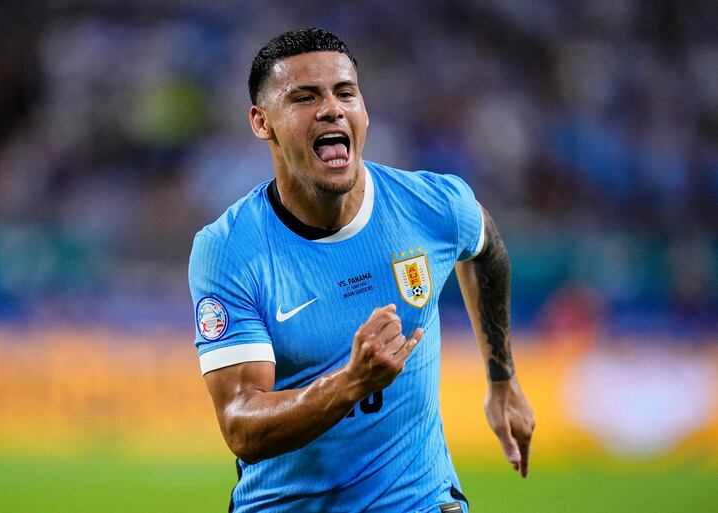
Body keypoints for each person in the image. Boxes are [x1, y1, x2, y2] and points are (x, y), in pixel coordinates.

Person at [188, 27, 535, 513]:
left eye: (345, 93)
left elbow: (486, 249)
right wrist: (352, 381)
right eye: (305, 97)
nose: (331, 109)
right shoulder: (229, 250)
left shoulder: (431, 205)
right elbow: (241, 425)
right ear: (262, 122)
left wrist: (503, 380)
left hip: (420, 502)